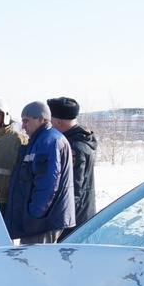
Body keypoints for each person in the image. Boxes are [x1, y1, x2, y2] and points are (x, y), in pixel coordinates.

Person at [4, 101, 75, 244]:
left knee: (36, 263)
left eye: (26, 121)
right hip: (42, 220)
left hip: (43, 223)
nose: (23, 126)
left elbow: (47, 183)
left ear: (41, 119)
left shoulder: (48, 141)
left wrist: (33, 216)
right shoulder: (40, 140)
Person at [47, 97, 98, 226]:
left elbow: (72, 188)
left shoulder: (74, 147)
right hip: (78, 216)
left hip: (74, 219)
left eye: (49, 120)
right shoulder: (77, 141)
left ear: (58, 122)